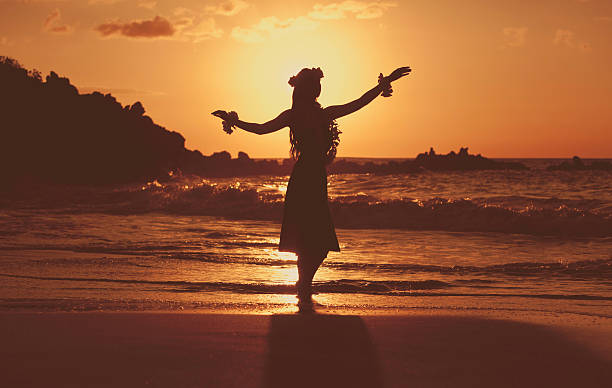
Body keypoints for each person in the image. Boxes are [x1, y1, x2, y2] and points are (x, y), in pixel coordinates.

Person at [212, 66, 411, 308]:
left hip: (309, 176)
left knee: (310, 239)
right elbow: (261, 128)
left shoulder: (310, 115)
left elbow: (358, 103)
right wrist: (234, 121)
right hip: (309, 176)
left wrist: (385, 83)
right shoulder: (307, 115)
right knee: (314, 239)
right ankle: (304, 284)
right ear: (311, 90)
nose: (319, 90)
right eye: (316, 86)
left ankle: (303, 283)